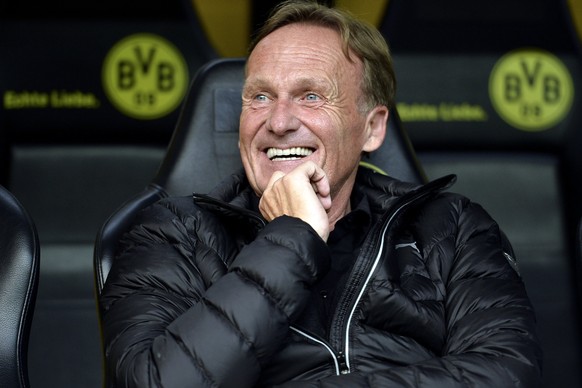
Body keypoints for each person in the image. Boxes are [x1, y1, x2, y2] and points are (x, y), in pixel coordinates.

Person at [100, 1, 542, 386]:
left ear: (372, 128)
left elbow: (506, 373)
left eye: (310, 96)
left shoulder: (452, 227)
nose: (277, 122)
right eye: (259, 97)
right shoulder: (172, 232)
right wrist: (292, 238)